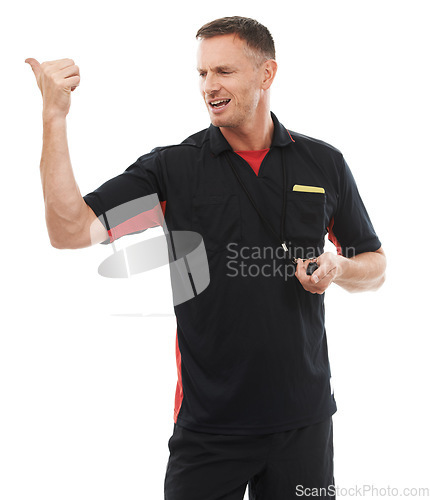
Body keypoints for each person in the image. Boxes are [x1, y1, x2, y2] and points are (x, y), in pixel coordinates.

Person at [26, 16, 386, 500]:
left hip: (305, 425)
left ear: (266, 74)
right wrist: (54, 116)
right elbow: (68, 230)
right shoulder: (173, 169)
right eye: (202, 74)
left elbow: (375, 263)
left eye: (224, 72)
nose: (209, 87)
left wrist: (340, 268)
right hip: (209, 430)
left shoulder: (323, 163)